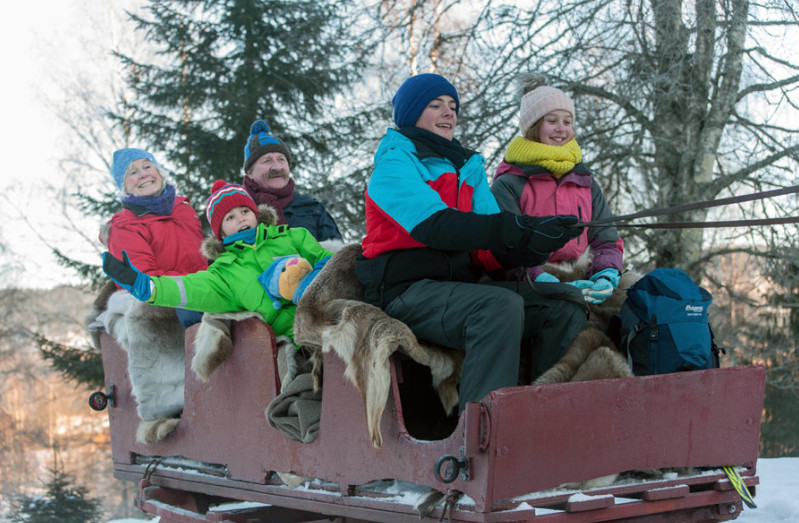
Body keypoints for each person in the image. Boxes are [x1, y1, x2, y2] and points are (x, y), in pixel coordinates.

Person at [354, 73, 589, 412]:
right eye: (435, 105)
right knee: (497, 307)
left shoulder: (468, 167)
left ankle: (537, 412)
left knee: (565, 304)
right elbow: (435, 226)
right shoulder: (394, 163)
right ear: (411, 114)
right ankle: (481, 436)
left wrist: (536, 241)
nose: (449, 112)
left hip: (458, 288)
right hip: (406, 291)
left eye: (453, 106)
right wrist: (516, 228)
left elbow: (487, 250)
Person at [102, 180, 333, 341]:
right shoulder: (224, 272)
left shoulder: (293, 236)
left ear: (256, 213)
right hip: (295, 335)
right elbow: (189, 288)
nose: (240, 218)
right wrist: (147, 286)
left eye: (245, 211)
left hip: (328, 309)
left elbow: (331, 261)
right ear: (220, 232)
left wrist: (311, 283)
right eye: (230, 217)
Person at [491, 76, 624, 305]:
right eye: (552, 121)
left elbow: (606, 239)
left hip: (585, 275)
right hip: (532, 281)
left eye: (568, 121)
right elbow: (503, 251)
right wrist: (544, 280)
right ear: (534, 128)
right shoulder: (510, 183)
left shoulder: (584, 181)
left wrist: (606, 273)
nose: (561, 129)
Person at [106, 148, 208, 327]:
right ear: (124, 186)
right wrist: (200, 285)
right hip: (163, 303)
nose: (144, 174)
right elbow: (144, 278)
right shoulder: (124, 226)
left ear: (159, 172)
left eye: (147, 166)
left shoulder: (183, 209)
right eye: (133, 172)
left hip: (205, 289)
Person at [242, 119, 342, 242]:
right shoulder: (237, 212)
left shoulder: (313, 209)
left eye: (281, 159)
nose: (277, 167)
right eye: (267, 161)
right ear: (250, 173)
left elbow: (338, 257)